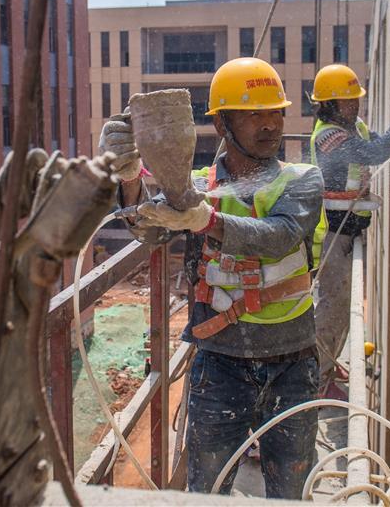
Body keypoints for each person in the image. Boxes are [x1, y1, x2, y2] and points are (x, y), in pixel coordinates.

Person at [99, 57, 326, 499]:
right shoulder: (199, 187)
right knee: (207, 491)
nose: (271, 124)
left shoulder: (302, 181)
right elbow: (150, 230)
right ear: (222, 124)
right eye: (254, 114)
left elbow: (279, 236)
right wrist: (128, 178)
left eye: (276, 112)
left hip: (292, 364)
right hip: (220, 367)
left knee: (292, 491)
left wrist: (205, 220)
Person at [308, 63, 390, 394]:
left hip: (348, 232)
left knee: (342, 309)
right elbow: (374, 153)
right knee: (332, 310)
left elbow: (380, 148)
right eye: (348, 101)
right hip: (334, 234)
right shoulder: (329, 136)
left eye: (356, 99)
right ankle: (317, 381)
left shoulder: (353, 128)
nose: (355, 105)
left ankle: (327, 367)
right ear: (329, 104)